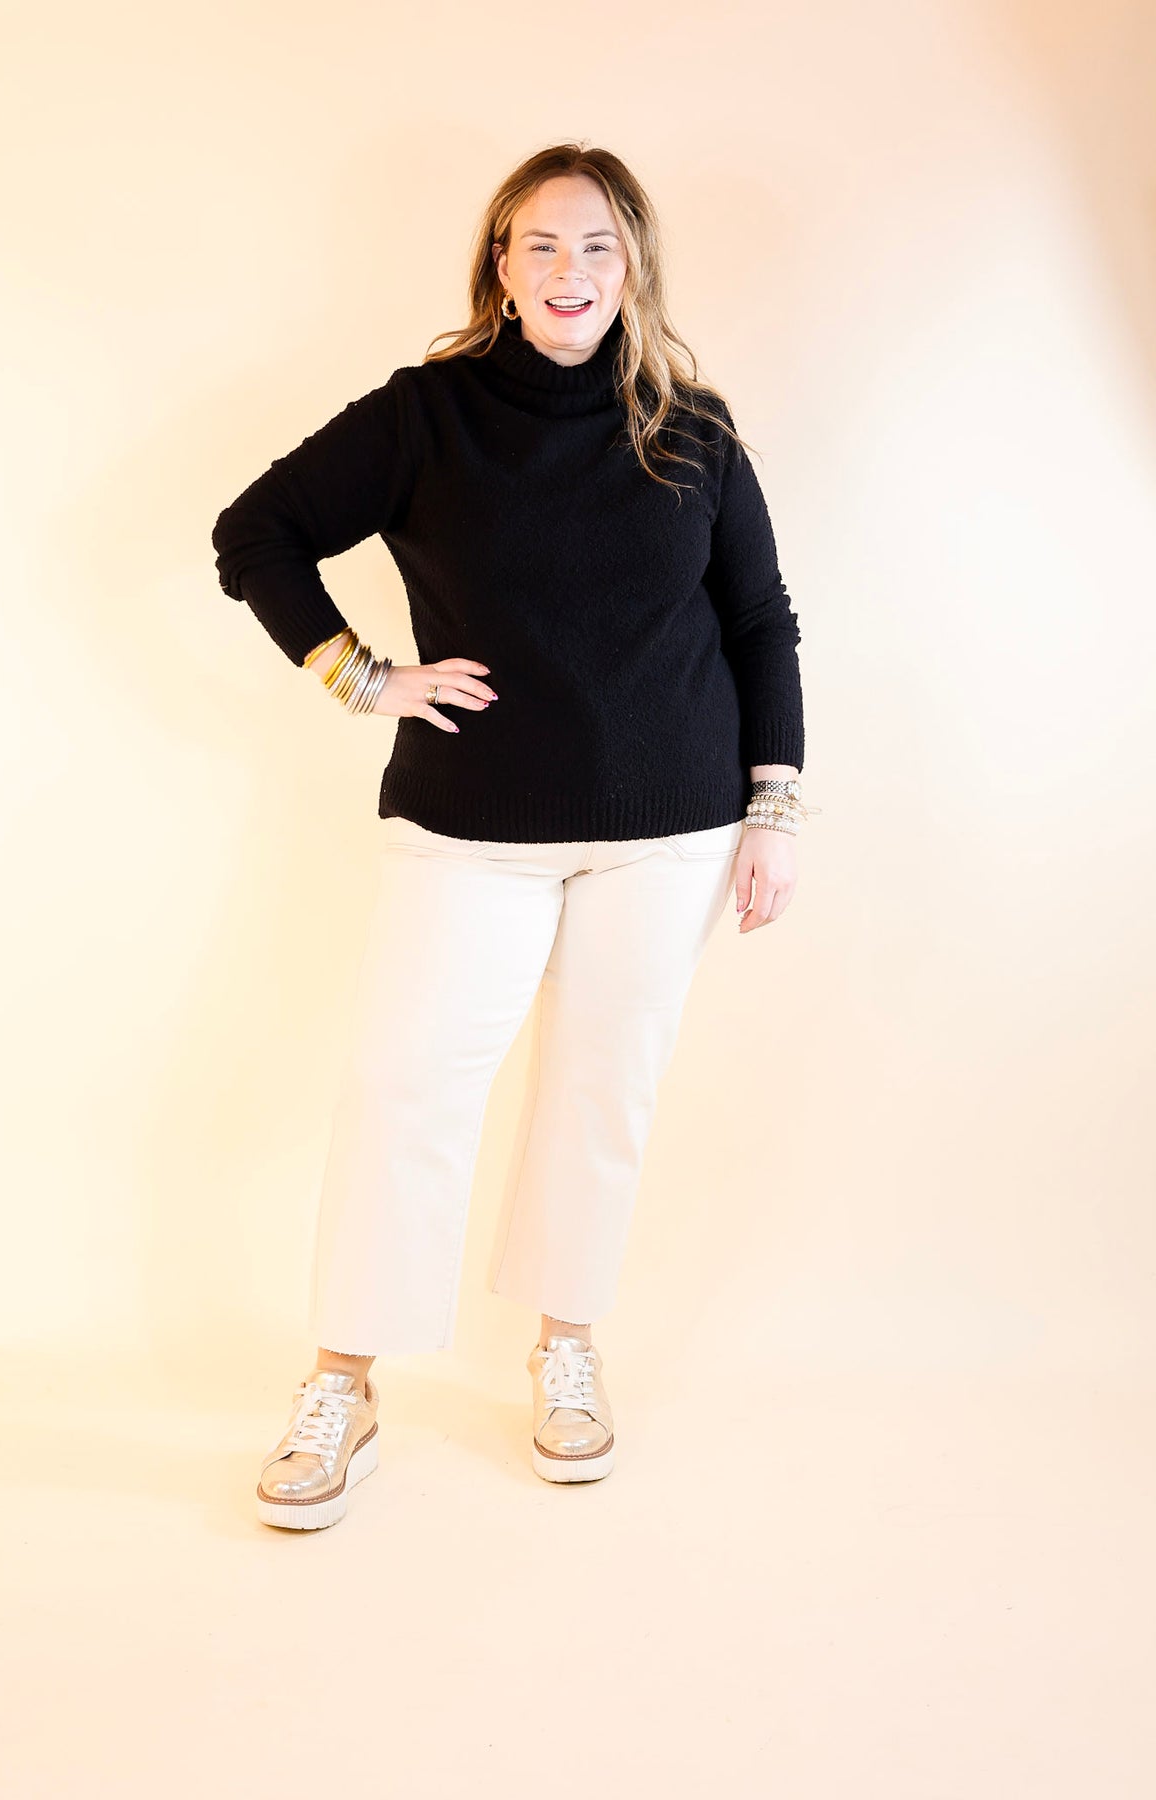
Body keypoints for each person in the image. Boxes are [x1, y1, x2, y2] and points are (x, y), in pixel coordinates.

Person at [211, 141, 814, 1530]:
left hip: (668, 833)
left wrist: (773, 806)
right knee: (403, 1089)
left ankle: (566, 1350)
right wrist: (364, 678)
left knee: (603, 1096)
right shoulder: (428, 415)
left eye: (597, 245)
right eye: (540, 243)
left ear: (633, 267)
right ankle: (343, 1381)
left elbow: (759, 621)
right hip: (469, 823)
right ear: (500, 263)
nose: (569, 270)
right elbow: (257, 533)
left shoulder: (693, 430)